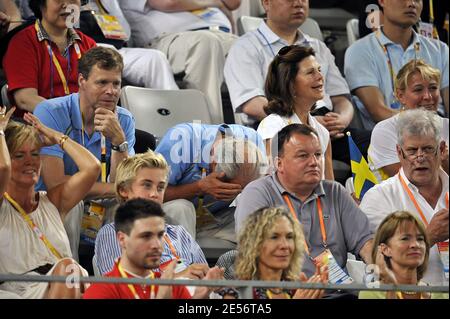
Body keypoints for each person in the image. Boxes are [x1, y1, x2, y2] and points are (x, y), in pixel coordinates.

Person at [225, 0, 371, 166]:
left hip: (327, 127)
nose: (298, 3)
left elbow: (341, 98)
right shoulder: (246, 47)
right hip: (280, 126)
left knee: (378, 144)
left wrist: (341, 121)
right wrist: (303, 121)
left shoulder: (318, 46)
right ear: (266, 3)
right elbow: (251, 103)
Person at [235, 124, 373, 297]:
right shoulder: (258, 193)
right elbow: (252, 254)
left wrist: (383, 273)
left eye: (317, 154)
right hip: (283, 293)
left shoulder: (335, 192)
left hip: (338, 292)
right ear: (279, 163)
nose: (314, 162)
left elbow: (366, 244)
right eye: (303, 156)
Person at [0, 106, 101, 298]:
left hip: (67, 281)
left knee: (70, 269)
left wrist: (56, 137)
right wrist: (0, 131)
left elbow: (92, 167)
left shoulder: (53, 201)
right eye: (19, 155)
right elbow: (2, 168)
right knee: (68, 268)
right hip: (20, 290)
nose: (30, 161)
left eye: (35, 154)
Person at [360, 109, 449, 286]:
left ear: (442, 149)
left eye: (428, 149)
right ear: (399, 153)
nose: (420, 157)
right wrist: (428, 237)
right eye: (412, 150)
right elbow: (379, 266)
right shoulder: (378, 198)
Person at [34, 46, 134, 198]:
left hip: (102, 204)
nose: (111, 91)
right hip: (56, 203)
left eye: (116, 84)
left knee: (126, 210)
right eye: (102, 82)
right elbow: (56, 183)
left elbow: (123, 186)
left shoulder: (124, 119)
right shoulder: (50, 112)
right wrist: (115, 190)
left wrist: (119, 142)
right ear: (82, 81)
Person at [118, 0, 241, 124]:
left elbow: (233, 3)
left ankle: (251, 134)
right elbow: (169, 3)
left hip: (218, 33)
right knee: (205, 43)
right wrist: (217, 3)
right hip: (167, 38)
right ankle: (207, 133)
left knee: (246, 48)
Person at [95, 150, 210, 280]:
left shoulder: (180, 233)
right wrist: (177, 279)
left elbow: (206, 279)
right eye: (147, 185)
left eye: (160, 187)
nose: (154, 194)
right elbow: (121, 287)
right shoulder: (112, 233)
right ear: (124, 190)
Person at [83, 198, 224, 299]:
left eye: (160, 235)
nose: (157, 244)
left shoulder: (173, 287)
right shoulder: (101, 291)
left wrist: (202, 296)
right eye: (146, 236)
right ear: (122, 239)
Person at [345, 0, 449, 129]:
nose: (411, 4)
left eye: (417, 0)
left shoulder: (440, 49)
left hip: (440, 134)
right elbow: (377, 111)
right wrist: (426, 126)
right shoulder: (359, 51)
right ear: (382, 2)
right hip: (389, 136)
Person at [155, 122, 267, 241]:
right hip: (172, 217)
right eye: (230, 186)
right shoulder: (180, 140)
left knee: (262, 219)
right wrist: (199, 187)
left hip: (217, 217)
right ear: (214, 164)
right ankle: (187, 258)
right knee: (181, 208)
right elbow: (149, 194)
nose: (235, 191)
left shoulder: (254, 140)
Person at [2, 0, 97, 113]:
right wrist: (67, 115)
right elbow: (25, 99)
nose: (67, 5)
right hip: (38, 124)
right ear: (41, 5)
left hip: (84, 123)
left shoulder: (89, 45)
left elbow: (100, 91)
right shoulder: (22, 43)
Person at [256, 45, 334, 180]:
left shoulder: (322, 132)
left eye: (319, 70)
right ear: (290, 84)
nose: (320, 76)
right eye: (310, 72)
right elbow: (267, 185)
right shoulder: (273, 125)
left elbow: (330, 188)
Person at [219, 207, 328, 299]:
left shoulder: (297, 286)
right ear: (254, 244)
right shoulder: (236, 292)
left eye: (289, 237)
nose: (284, 245)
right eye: (274, 237)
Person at [368, 60, 449, 180]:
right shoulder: (385, 130)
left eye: (433, 88)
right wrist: (441, 161)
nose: (428, 96)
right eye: (418, 90)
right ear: (400, 96)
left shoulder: (447, 125)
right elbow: (410, 180)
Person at [79, 0, 179, 91]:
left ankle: (172, 107)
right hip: (85, 50)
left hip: (116, 50)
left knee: (155, 58)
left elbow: (126, 33)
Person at [359, 211, 448, 299]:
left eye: (420, 239)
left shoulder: (439, 295)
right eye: (405, 238)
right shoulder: (372, 293)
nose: (415, 245)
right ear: (385, 249)